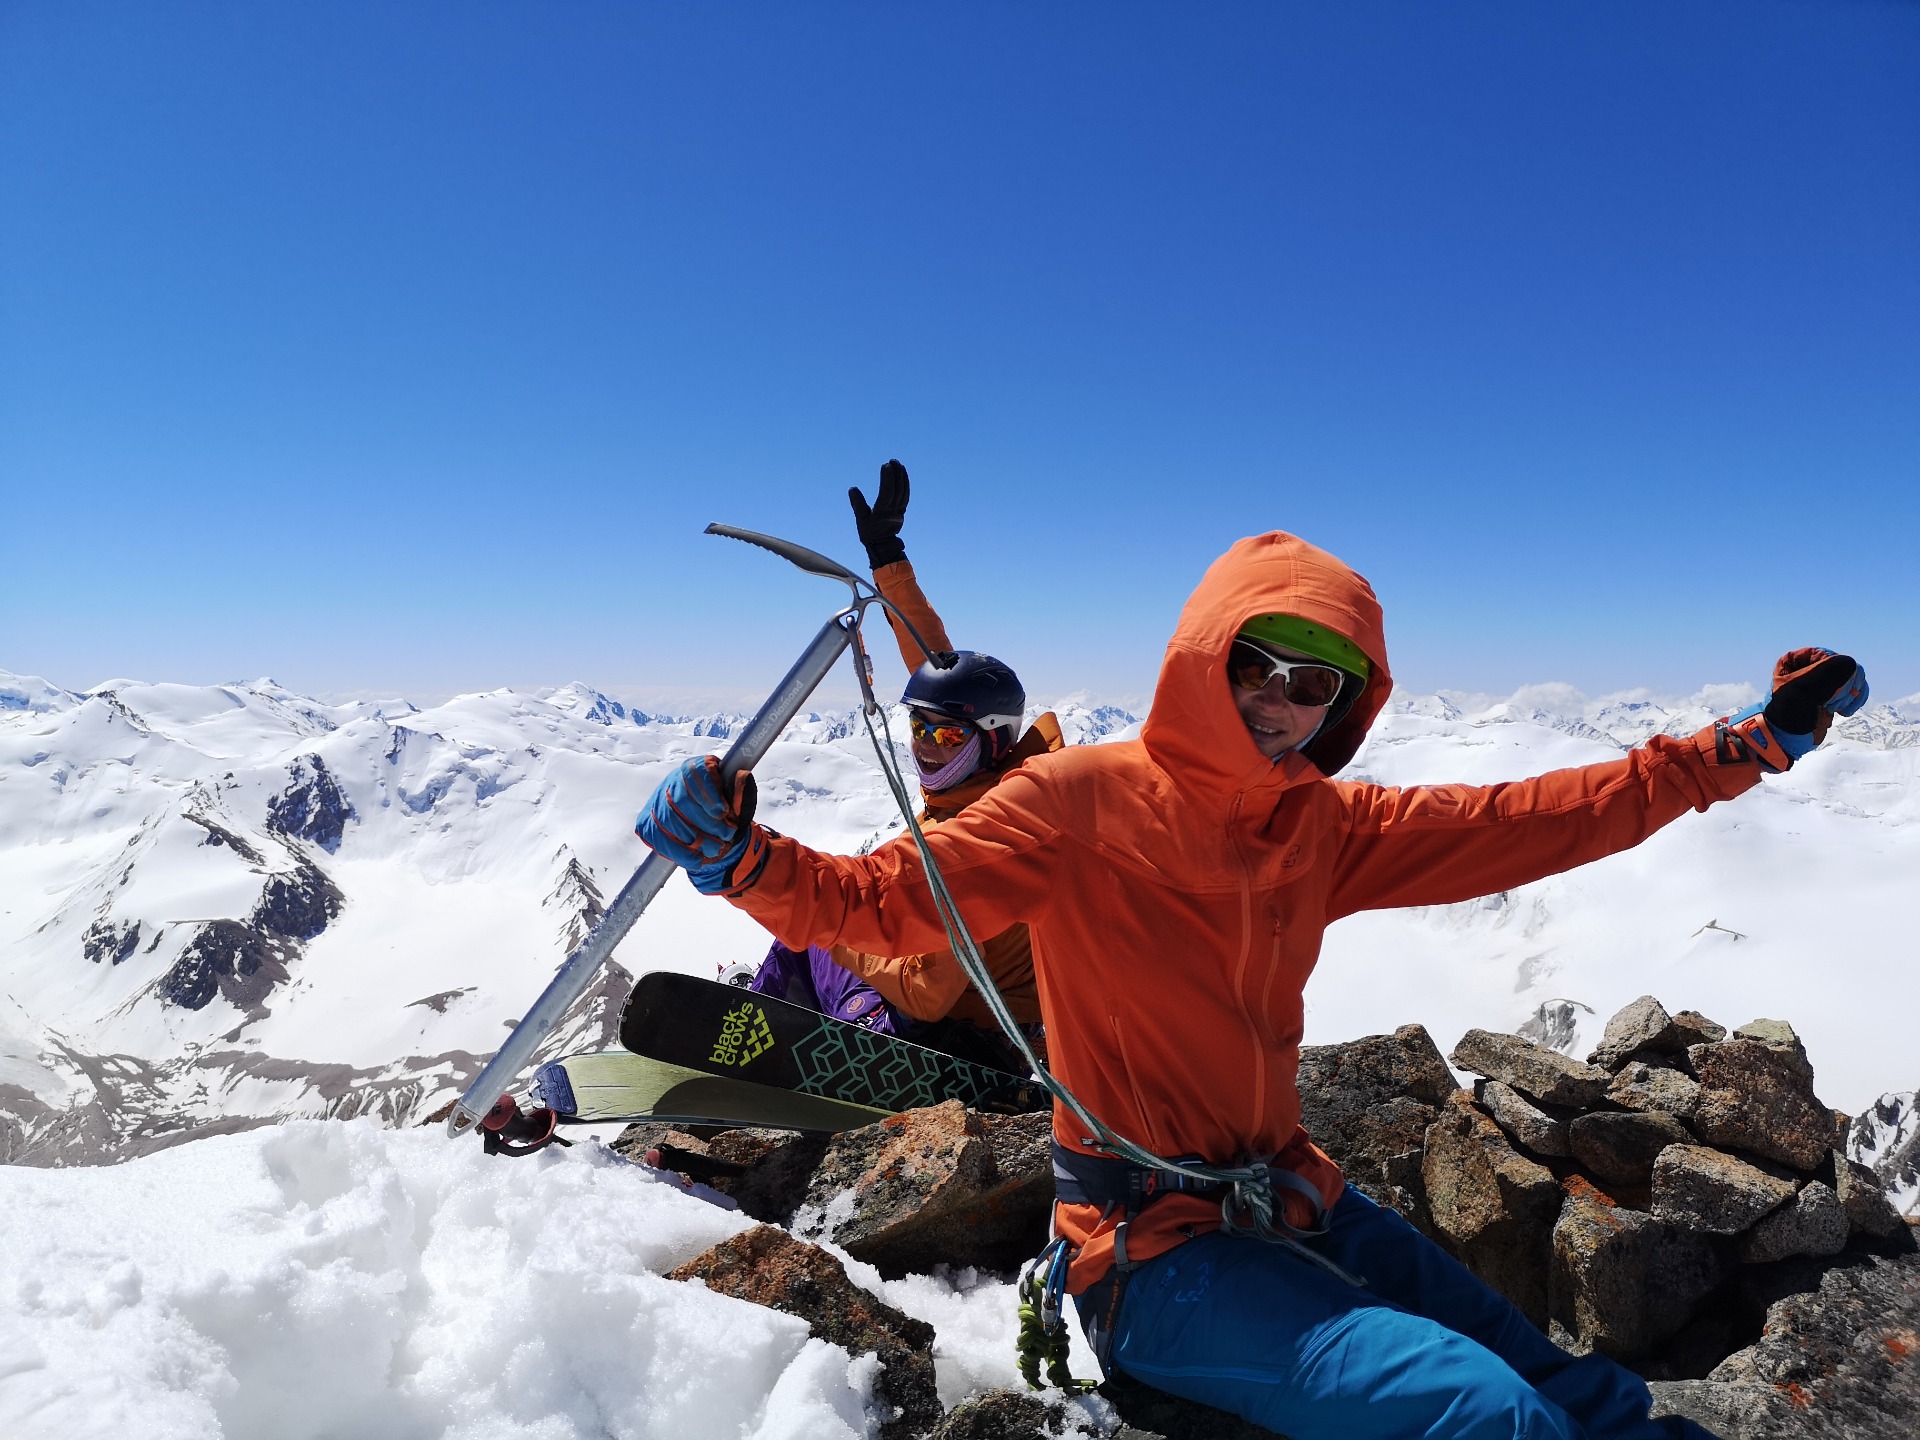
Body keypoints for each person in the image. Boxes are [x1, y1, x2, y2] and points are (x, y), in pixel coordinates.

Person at [636, 529, 1867, 1440]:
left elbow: (1536, 818)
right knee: (1481, 1415)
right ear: (1205, 658)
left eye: (1316, 683)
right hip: (1145, 1258)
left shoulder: (1324, 826)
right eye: (1260, 665)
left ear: (1348, 704)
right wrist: (748, 857)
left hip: (1289, 1197)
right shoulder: (1074, 803)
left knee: (1569, 1386)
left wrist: (1733, 752)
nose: (1280, 703)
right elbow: (886, 904)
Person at [727, 460, 1062, 1071]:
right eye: (916, 725)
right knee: (815, 937)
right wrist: (889, 558)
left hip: (977, 1037)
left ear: (991, 739)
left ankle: (770, 1053)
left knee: (813, 936)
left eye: (943, 732)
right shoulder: (1011, 781)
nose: (924, 743)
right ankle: (765, 1026)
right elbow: (937, 664)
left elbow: (925, 996)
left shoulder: (983, 838)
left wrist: (836, 923)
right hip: (1003, 1013)